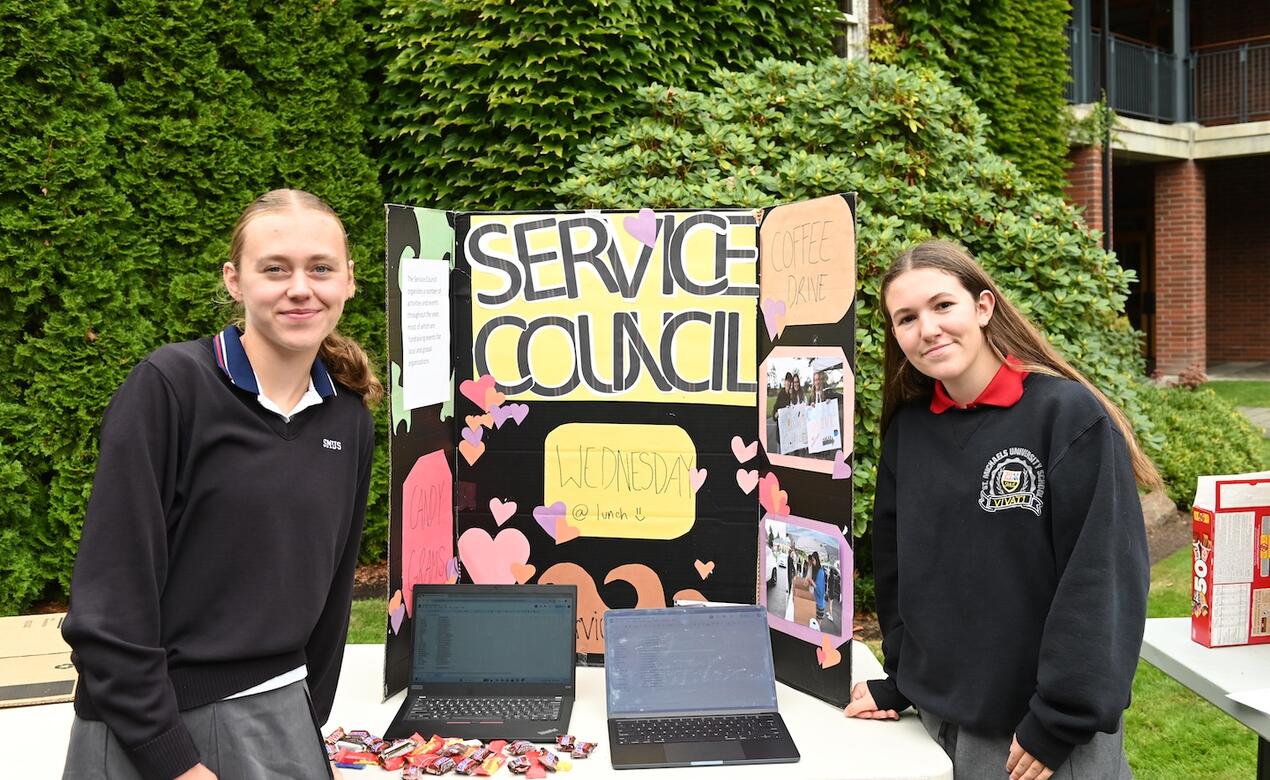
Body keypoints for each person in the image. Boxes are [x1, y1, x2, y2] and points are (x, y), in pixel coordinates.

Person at [61, 189, 381, 780]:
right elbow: (110, 602)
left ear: (349, 281)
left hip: (281, 718)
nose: (300, 288)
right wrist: (173, 760)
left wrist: (306, 725)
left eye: (321, 268)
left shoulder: (348, 422)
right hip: (149, 730)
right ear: (235, 281)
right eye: (275, 269)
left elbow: (334, 600)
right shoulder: (170, 387)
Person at [844, 241, 1159, 780]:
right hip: (936, 726)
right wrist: (904, 678)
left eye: (944, 306)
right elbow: (902, 572)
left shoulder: (1065, 416)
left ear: (983, 307)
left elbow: (1101, 579)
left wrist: (1059, 719)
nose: (928, 329)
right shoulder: (909, 431)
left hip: (1036, 742)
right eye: (906, 318)